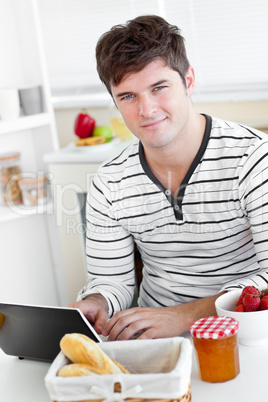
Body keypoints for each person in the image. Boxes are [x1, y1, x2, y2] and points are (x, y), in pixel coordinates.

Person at [69, 15, 268, 341]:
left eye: (159, 88)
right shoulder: (109, 182)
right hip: (154, 337)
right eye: (128, 96)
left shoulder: (254, 158)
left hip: (244, 332)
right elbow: (112, 281)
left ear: (188, 81)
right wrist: (97, 301)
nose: (146, 110)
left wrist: (185, 316)